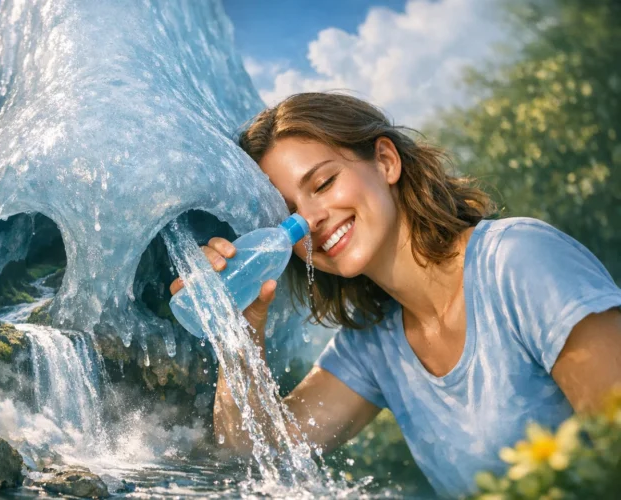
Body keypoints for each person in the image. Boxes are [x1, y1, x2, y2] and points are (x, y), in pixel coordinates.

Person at [169, 92, 621, 498]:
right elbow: (255, 453)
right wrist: (239, 332)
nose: (310, 220)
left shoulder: (519, 261)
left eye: (323, 184)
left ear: (385, 160)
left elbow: (615, 446)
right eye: (287, 214)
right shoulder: (374, 342)